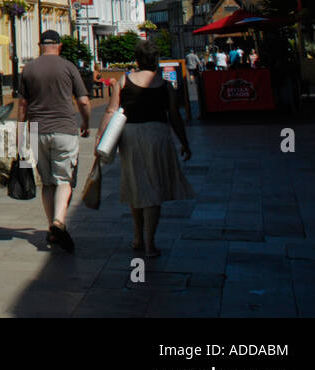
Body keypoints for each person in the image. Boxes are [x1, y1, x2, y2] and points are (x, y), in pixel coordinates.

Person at [98, 39, 194, 258]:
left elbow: (111, 111)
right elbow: (175, 116)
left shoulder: (123, 81)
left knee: (136, 186)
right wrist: (185, 143)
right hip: (158, 135)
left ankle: (137, 236)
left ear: (138, 60)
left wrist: (99, 137)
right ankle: (150, 242)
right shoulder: (164, 84)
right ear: (156, 60)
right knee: (154, 190)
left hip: (130, 135)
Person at [16, 30, 91, 252]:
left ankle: (52, 228)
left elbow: (22, 106)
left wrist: (21, 134)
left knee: (47, 182)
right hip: (64, 129)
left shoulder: (28, 69)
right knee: (64, 179)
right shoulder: (68, 67)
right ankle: (59, 221)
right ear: (58, 45)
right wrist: (85, 122)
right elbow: (84, 101)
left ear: (40, 46)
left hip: (37, 130)